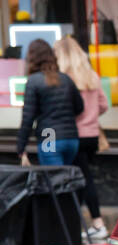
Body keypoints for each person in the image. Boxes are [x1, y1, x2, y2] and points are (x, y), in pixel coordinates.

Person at [53, 36, 108, 241]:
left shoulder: (62, 78)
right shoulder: (91, 75)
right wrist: (91, 117)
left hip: (70, 135)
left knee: (74, 179)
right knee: (86, 178)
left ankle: (86, 224)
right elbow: (103, 105)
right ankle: (95, 223)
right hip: (92, 135)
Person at [16, 38, 83, 168]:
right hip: (71, 138)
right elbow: (79, 107)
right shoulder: (65, 78)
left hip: (49, 135)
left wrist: (21, 147)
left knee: (54, 180)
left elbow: (28, 118)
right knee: (63, 180)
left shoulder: (34, 81)